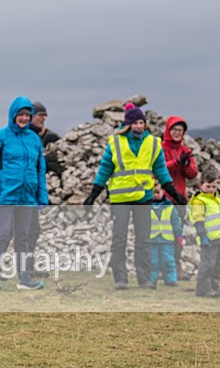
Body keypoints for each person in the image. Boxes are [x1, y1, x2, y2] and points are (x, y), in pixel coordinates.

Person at [84, 103, 187, 290]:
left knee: (143, 239)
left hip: (143, 197)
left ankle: (144, 279)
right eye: (135, 123)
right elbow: (105, 169)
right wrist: (93, 194)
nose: (139, 126)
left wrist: (174, 193)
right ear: (128, 124)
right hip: (119, 199)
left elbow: (161, 171)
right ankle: (120, 279)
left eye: (141, 122)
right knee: (119, 239)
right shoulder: (115, 142)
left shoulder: (153, 143)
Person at [0, 96, 47, 291]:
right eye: (21, 114)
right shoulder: (0, 136)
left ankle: (25, 279)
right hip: (4, 195)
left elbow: (39, 169)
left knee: (23, 237)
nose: (24, 118)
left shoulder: (34, 139)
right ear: (13, 115)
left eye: (27, 115)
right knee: (2, 234)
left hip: (28, 197)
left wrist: (42, 197)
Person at [162, 116, 198, 281]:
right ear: (168, 131)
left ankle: (176, 266)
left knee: (178, 235)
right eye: (174, 130)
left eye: (180, 130)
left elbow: (192, 174)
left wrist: (184, 164)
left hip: (180, 199)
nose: (177, 133)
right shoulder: (160, 148)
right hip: (163, 198)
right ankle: (164, 267)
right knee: (162, 234)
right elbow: (159, 169)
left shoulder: (185, 150)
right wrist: (177, 162)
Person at [28, 101, 61, 278]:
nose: (43, 118)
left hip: (37, 192)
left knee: (32, 231)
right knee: (10, 233)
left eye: (44, 115)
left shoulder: (52, 139)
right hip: (19, 193)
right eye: (40, 115)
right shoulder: (23, 138)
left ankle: (28, 268)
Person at [189, 169, 220, 297]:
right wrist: (203, 236)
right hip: (208, 240)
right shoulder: (199, 201)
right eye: (208, 186)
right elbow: (198, 220)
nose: (211, 189)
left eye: (214, 186)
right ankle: (204, 289)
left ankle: (214, 288)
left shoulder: (218, 200)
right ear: (200, 185)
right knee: (207, 265)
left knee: (217, 266)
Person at [149, 182, 182, 287]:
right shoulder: (146, 206)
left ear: (163, 192)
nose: (155, 195)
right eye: (153, 192)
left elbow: (176, 222)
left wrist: (179, 236)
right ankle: (151, 280)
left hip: (167, 239)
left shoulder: (170, 207)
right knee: (152, 261)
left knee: (168, 260)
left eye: (158, 192)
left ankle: (171, 279)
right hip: (152, 239)